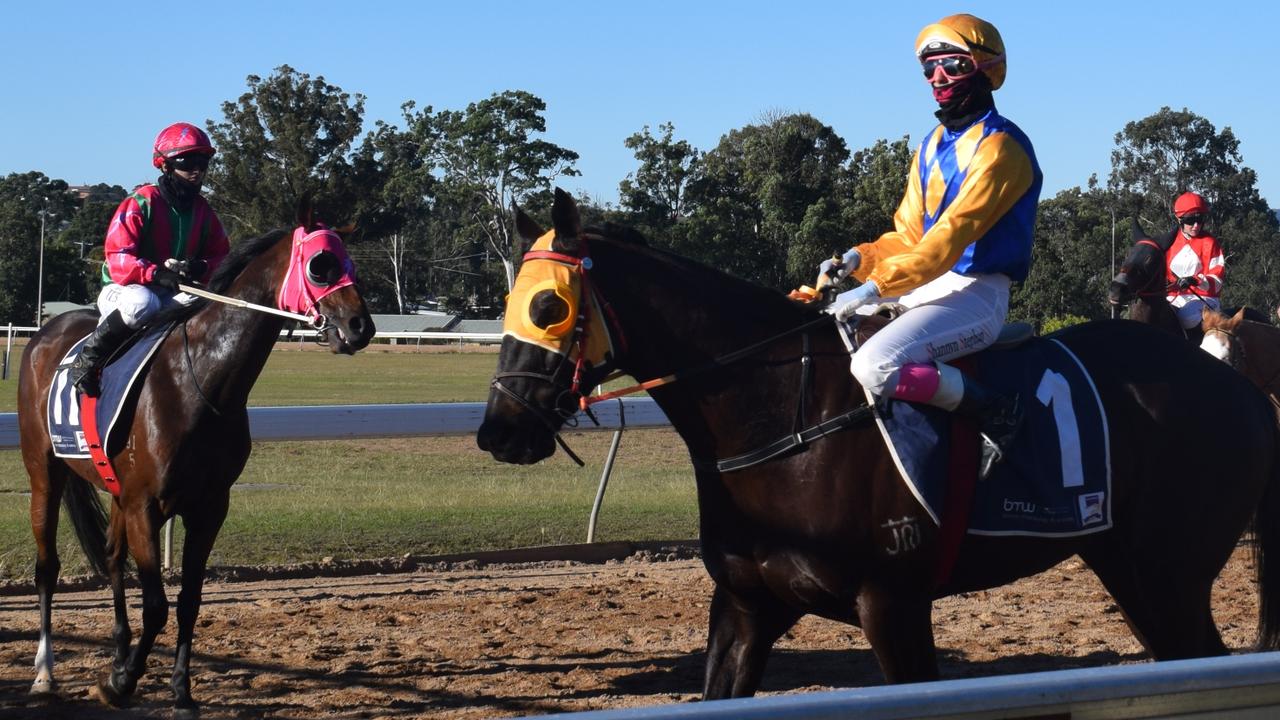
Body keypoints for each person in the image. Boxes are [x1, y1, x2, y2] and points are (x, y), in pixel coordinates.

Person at [820, 13, 1042, 479]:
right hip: (926, 285)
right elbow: (908, 234)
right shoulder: (931, 144)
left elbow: (947, 239)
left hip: (976, 295)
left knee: (875, 365)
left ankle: (995, 410)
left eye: (953, 66)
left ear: (986, 69)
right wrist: (859, 260)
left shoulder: (1002, 149)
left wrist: (875, 287)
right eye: (930, 68)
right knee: (827, 333)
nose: (938, 79)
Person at [68, 122, 230, 397]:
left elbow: (222, 257)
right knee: (143, 303)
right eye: (188, 161)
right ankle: (87, 359)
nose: (197, 170)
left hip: (169, 291)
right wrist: (155, 274)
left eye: (203, 162)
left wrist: (200, 267)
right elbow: (118, 257)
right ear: (165, 165)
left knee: (204, 303)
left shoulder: (203, 211)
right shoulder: (141, 202)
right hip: (123, 289)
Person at [1163, 191, 1224, 333]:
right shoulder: (1169, 242)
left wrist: (1195, 281)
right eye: (1190, 221)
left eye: (1200, 219)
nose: (1196, 225)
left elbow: (1217, 277)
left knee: (1186, 316)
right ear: (1180, 219)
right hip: (1172, 297)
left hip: (1204, 299)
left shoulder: (1210, 243)